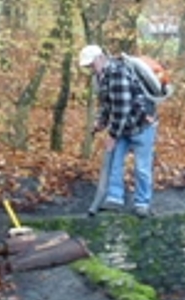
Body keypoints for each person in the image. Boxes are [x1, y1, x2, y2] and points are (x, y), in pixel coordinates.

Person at [79, 44, 158, 218]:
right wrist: (100, 123)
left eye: (91, 65)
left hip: (141, 125)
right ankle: (115, 199)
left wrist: (113, 135)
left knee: (142, 168)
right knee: (115, 162)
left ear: (100, 58)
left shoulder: (117, 73)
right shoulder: (101, 77)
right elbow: (108, 104)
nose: (90, 69)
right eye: (88, 67)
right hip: (123, 126)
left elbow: (122, 107)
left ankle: (142, 204)